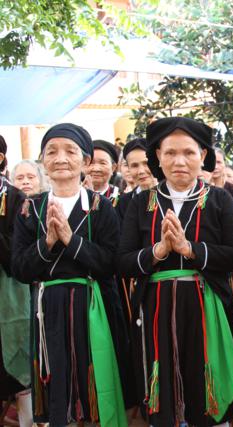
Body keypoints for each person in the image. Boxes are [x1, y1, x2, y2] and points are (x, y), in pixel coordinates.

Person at [118, 117, 233, 427]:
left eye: (189, 153)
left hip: (206, 306)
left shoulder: (219, 199)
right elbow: (122, 261)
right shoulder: (141, 203)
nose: (179, 161)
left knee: (206, 383)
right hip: (156, 308)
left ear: (202, 156)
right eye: (170, 153)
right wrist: (159, 251)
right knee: (162, 384)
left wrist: (190, 249)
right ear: (157, 156)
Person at [11, 123, 126, 426]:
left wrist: (71, 241)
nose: (60, 158)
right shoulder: (30, 209)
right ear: (43, 161)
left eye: (70, 151)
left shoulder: (101, 208)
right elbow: (20, 268)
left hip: (92, 306)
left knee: (94, 380)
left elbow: (111, 263)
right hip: (47, 308)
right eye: (52, 152)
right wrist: (48, 242)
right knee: (56, 380)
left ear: (86, 161)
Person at [0, 137, 31, 427]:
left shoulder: (15, 198)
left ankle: (27, 420)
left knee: (17, 364)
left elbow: (17, 254)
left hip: (9, 294)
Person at [116, 137, 156, 221]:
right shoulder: (123, 202)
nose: (141, 171)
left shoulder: (170, 195)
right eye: (134, 165)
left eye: (146, 163)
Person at [86, 139, 120, 206]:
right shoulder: (74, 196)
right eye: (91, 163)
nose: (96, 169)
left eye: (102, 163)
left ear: (113, 168)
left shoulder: (121, 198)